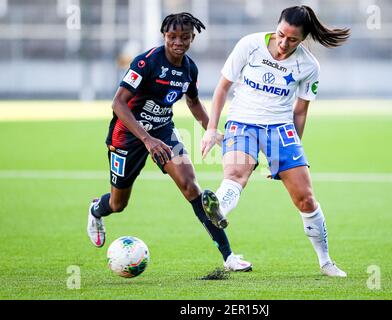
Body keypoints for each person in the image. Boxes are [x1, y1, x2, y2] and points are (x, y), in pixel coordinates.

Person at [87, 12, 252, 272]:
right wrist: (147, 139)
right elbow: (118, 103)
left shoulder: (189, 68)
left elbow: (193, 101)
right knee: (118, 204)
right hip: (128, 136)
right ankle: (97, 209)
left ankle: (229, 257)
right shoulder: (146, 63)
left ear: (192, 38)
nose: (178, 42)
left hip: (163, 132)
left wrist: (211, 129)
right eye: (172, 36)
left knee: (191, 188)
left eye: (184, 37)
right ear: (164, 36)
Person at [201, 6, 350, 277]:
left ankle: (326, 261)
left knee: (305, 199)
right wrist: (212, 128)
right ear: (276, 26)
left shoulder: (308, 66)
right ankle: (219, 208)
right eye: (281, 35)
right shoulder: (250, 45)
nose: (283, 43)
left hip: (280, 130)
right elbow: (222, 86)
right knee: (235, 174)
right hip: (242, 122)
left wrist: (288, 155)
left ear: (303, 39)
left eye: (292, 39)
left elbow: (301, 111)